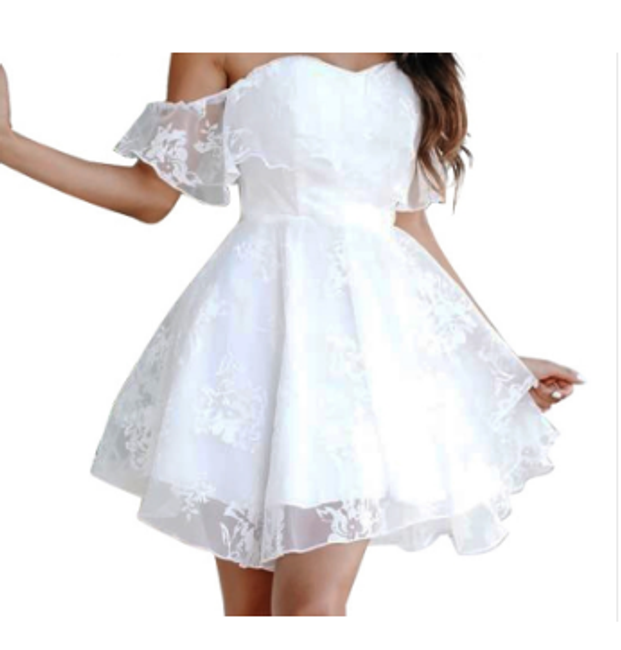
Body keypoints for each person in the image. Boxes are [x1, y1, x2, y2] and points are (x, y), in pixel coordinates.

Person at [0, 53, 584, 617]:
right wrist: (8, 144)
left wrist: (498, 361)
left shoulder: (414, 47)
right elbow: (150, 195)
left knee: (310, 608)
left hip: (364, 355)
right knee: (252, 613)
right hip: (252, 337)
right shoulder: (216, 37)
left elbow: (408, 224)